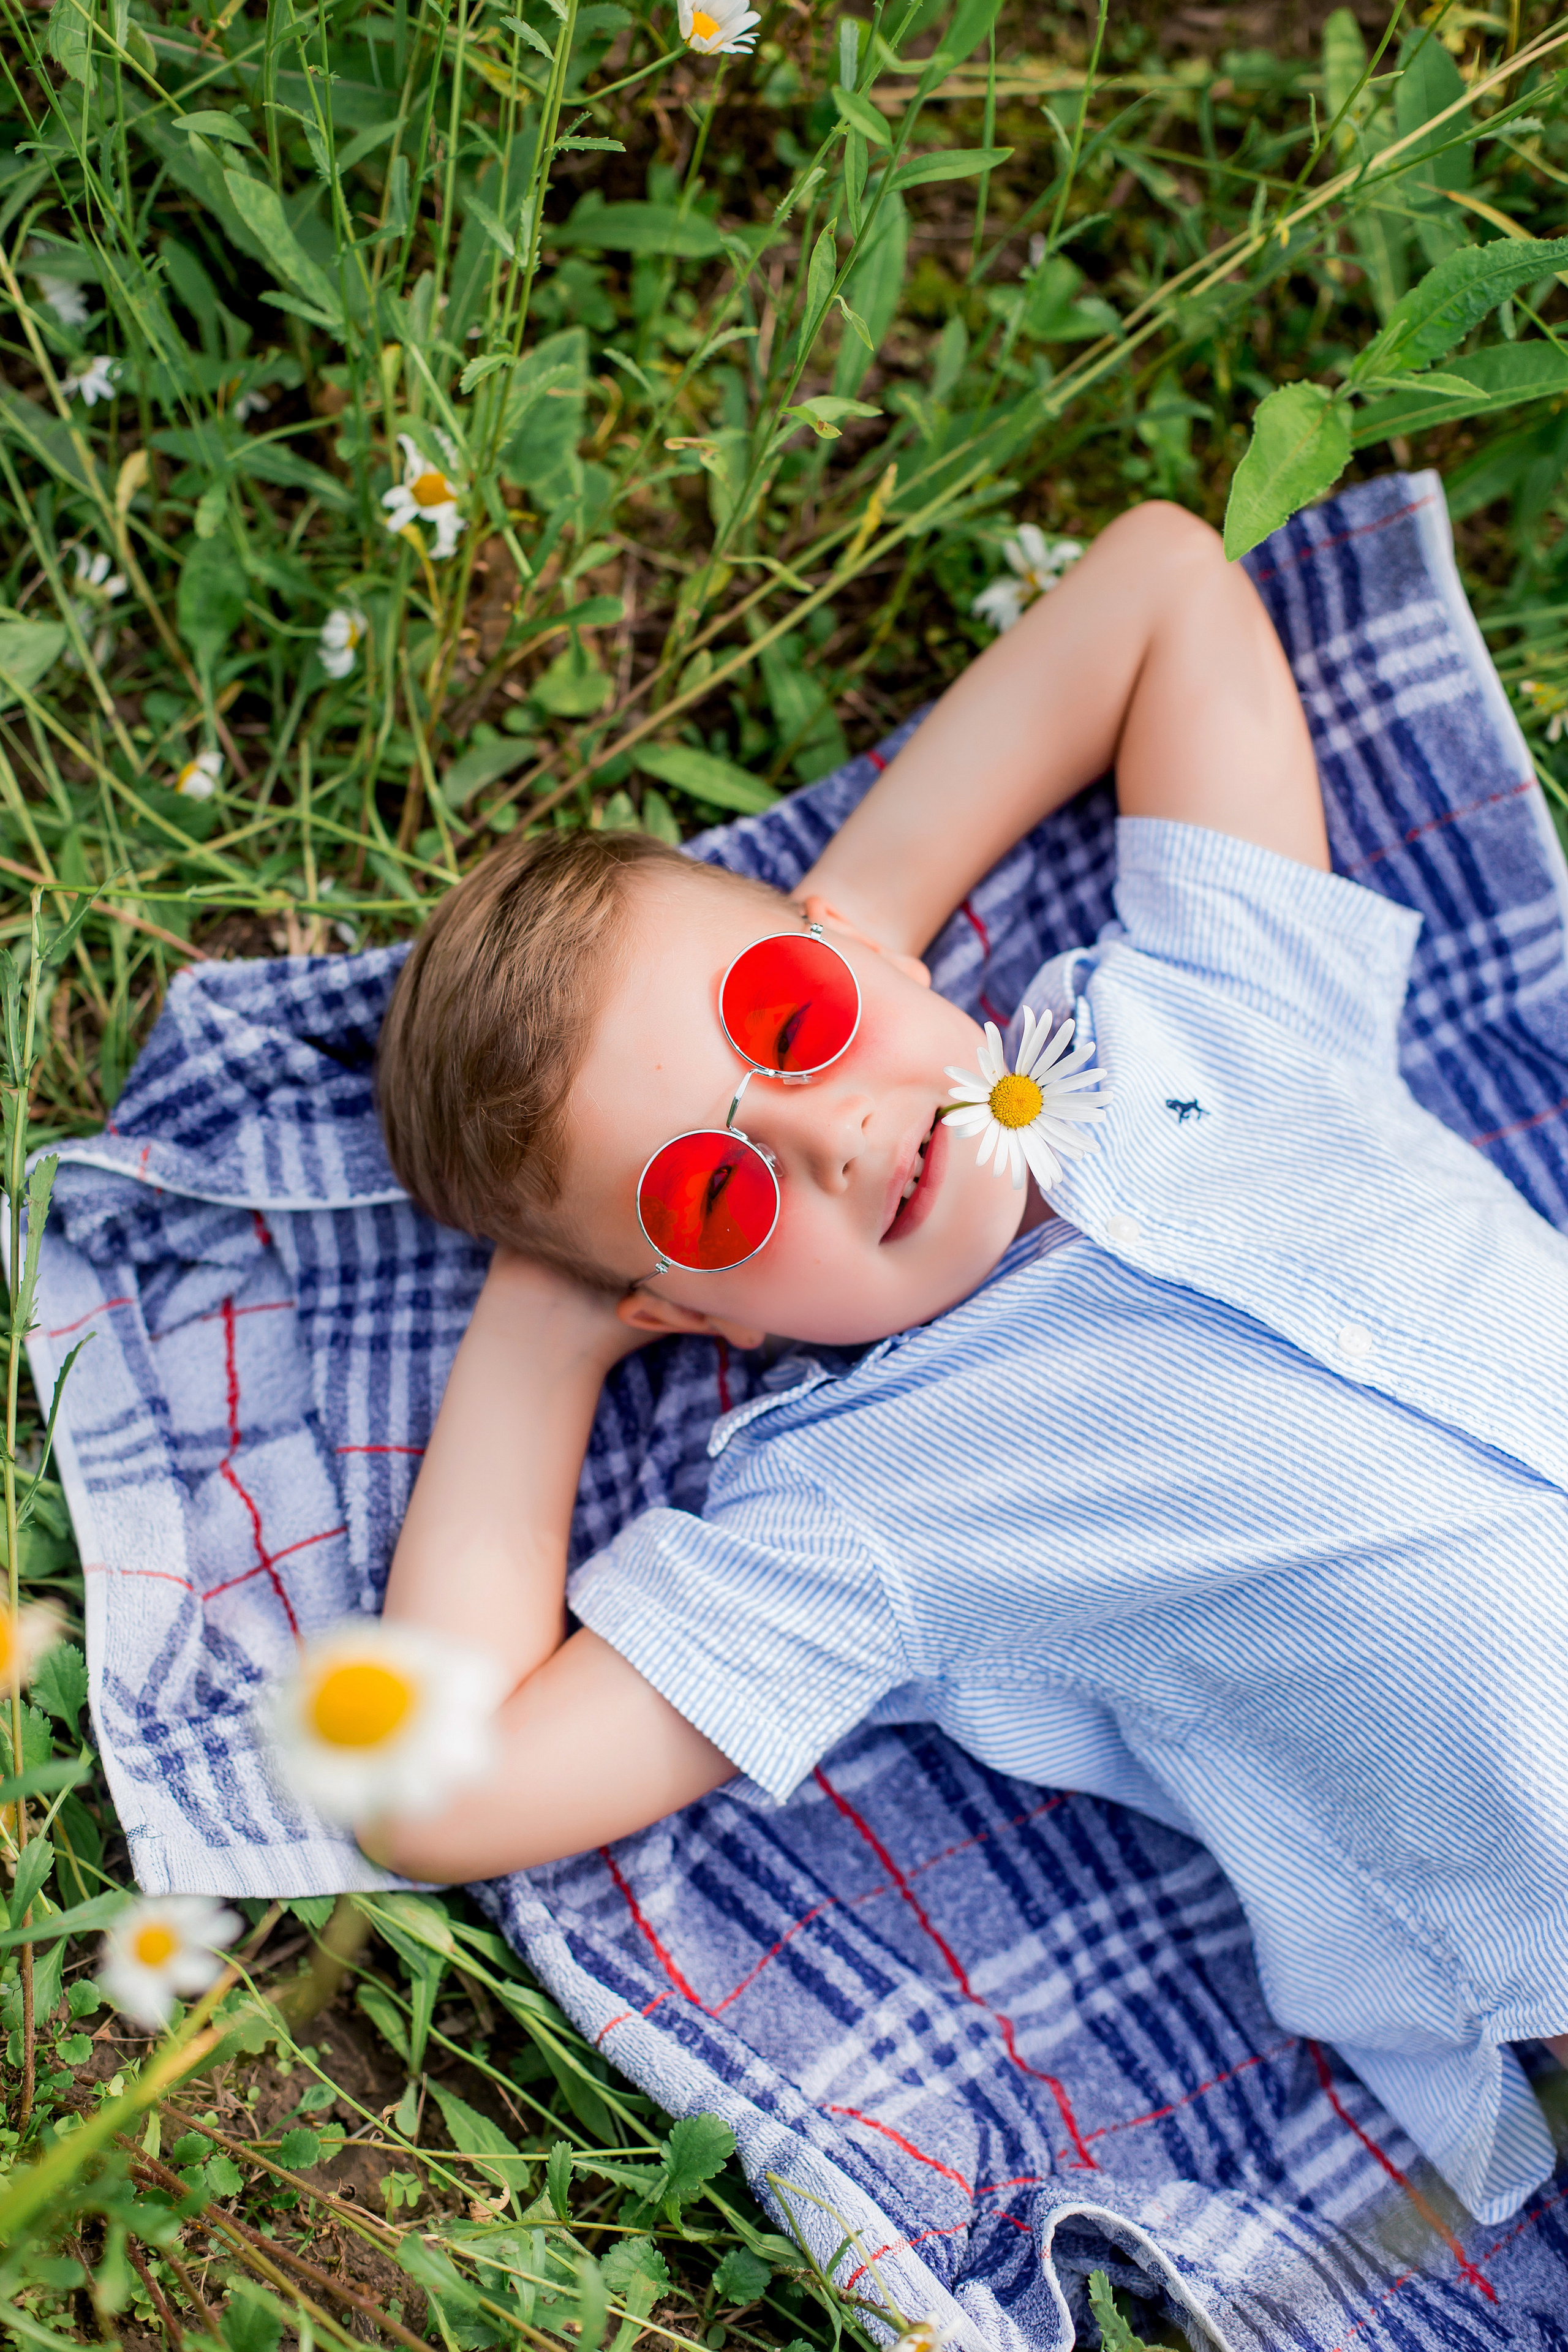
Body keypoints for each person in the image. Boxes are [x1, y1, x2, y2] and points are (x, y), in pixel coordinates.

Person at [371, 500, 1568, 2225]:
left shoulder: (1203, 998)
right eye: (714, 1193)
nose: (838, 1139)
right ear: (697, 1313)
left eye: (787, 1023)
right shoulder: (860, 1506)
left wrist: (864, 899)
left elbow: (1163, 581)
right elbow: (438, 1783)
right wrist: (545, 1334)